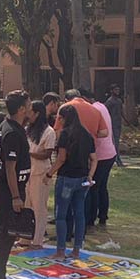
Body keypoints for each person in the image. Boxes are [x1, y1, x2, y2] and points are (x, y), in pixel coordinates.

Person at [0, 91, 32, 279]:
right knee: (6, 233)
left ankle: (0, 275)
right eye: (28, 105)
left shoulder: (10, 126)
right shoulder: (11, 132)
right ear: (21, 109)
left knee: (6, 233)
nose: (30, 108)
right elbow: (10, 167)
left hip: (9, 187)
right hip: (6, 190)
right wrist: (15, 196)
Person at [47, 103, 97, 262]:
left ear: (64, 118)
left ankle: (60, 251)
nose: (59, 121)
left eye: (60, 118)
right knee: (79, 214)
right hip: (82, 179)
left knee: (61, 215)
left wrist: (49, 173)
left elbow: (61, 158)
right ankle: (76, 250)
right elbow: (94, 159)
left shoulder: (65, 134)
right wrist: (90, 175)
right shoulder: (86, 134)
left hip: (67, 178)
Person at [24, 100, 56, 248]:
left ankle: (37, 240)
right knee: (26, 205)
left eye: (30, 111)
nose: (27, 114)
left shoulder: (49, 132)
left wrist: (29, 154)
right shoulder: (27, 129)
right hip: (27, 172)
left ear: (37, 113)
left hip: (41, 173)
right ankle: (25, 237)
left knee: (39, 207)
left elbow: (46, 154)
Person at [84, 88, 117, 228]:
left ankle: (91, 219)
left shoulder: (93, 110)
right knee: (102, 187)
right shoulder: (102, 106)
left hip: (101, 154)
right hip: (110, 153)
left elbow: (96, 132)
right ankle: (102, 216)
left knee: (93, 187)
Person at [105, 84, 125, 167]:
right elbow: (106, 112)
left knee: (116, 142)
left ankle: (117, 159)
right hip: (112, 124)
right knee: (115, 142)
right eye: (115, 90)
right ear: (111, 91)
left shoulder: (119, 101)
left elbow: (121, 112)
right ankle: (117, 159)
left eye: (118, 90)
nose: (117, 91)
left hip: (118, 124)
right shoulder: (109, 102)